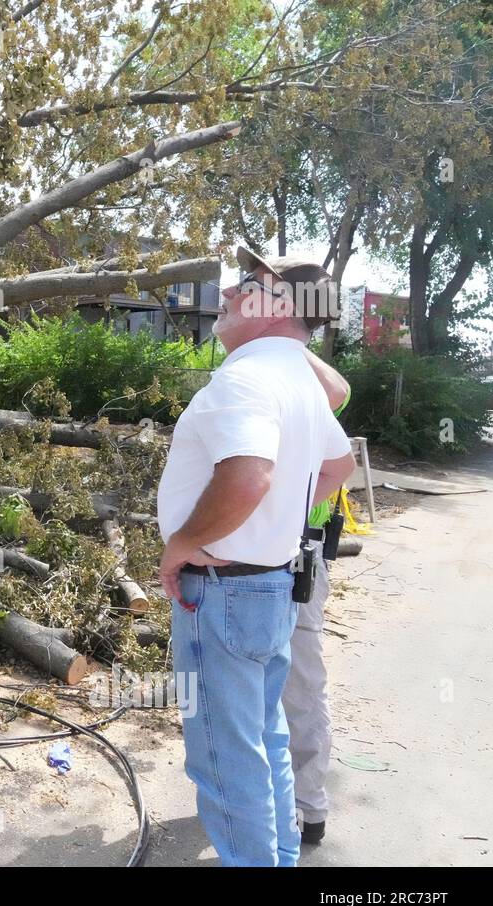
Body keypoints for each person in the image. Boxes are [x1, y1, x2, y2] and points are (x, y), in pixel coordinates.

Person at [156, 246, 356, 866]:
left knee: (222, 755)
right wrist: (276, 524)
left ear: (277, 303)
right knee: (264, 739)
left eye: (246, 283)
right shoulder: (296, 378)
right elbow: (339, 464)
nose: (227, 292)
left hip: (221, 591)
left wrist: (185, 545)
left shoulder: (246, 377)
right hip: (267, 587)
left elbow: (247, 477)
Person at [285, 354, 352, 848]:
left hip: (299, 556)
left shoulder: (312, 402)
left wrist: (290, 342)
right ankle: (255, 795)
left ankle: (308, 807)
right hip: (240, 562)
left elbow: (337, 390)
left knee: (301, 682)